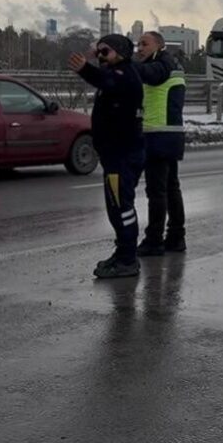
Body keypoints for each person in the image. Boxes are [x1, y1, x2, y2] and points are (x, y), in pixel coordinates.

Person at [69, 35, 145, 278]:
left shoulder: (125, 75)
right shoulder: (115, 71)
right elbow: (104, 76)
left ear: (121, 53)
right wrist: (94, 56)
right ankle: (123, 253)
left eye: (105, 52)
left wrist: (85, 67)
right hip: (114, 154)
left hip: (122, 155)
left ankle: (127, 260)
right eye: (99, 51)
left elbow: (105, 79)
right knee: (116, 206)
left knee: (120, 207)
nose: (100, 56)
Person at [133, 31, 187, 256]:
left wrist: (125, 61)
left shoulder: (161, 64)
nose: (140, 48)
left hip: (159, 136)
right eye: (137, 45)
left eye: (144, 44)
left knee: (157, 191)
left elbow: (150, 75)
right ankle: (176, 237)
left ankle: (154, 240)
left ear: (159, 46)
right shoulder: (168, 63)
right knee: (171, 188)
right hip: (168, 135)